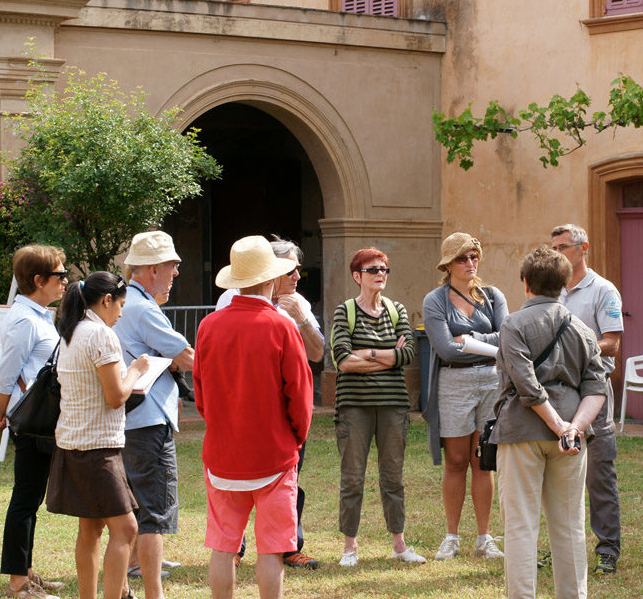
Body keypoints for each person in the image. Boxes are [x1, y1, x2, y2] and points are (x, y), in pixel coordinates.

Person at [194, 235, 314, 599]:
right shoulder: (281, 326)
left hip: (223, 455)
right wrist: (293, 438)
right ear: (270, 278)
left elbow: (200, 394)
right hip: (274, 455)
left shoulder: (209, 325)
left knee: (224, 546)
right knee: (272, 549)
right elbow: (301, 397)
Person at [492, 245, 607, 599]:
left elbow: (526, 385)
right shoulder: (583, 329)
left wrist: (560, 426)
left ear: (526, 283)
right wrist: (574, 427)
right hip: (571, 436)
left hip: (522, 433)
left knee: (521, 527)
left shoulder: (513, 323)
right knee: (570, 526)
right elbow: (597, 386)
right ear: (565, 284)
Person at [47, 273, 150, 599]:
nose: (121, 313)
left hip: (72, 443)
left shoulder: (72, 331)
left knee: (90, 529)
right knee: (126, 528)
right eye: (120, 304)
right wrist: (137, 370)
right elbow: (116, 396)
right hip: (97, 448)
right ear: (106, 300)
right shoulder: (102, 335)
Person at [0, 245, 70, 599]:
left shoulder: (37, 315)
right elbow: (5, 376)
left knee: (31, 497)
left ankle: (27, 571)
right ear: (38, 280)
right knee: (25, 498)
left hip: (41, 420)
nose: (65, 281)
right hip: (31, 421)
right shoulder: (23, 319)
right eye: (60, 276)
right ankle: (18, 582)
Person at [329, 247, 425, 566]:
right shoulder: (345, 312)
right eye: (372, 270)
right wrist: (386, 356)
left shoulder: (396, 309)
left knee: (393, 476)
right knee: (353, 477)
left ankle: (399, 545)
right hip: (354, 406)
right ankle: (349, 548)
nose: (380, 274)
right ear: (357, 277)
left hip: (393, 406)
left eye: (384, 269)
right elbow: (342, 359)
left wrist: (366, 353)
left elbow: (408, 354)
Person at [114, 231, 192, 597]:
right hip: (147, 422)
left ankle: (133, 567)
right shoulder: (143, 308)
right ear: (149, 269)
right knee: (154, 514)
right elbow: (187, 356)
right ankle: (153, 591)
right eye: (171, 266)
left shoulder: (123, 302)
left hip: (129, 421)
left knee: (133, 505)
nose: (176, 273)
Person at [422, 233, 507, 561]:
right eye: (462, 258)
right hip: (453, 383)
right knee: (456, 461)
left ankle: (484, 537)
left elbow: (506, 337)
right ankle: (452, 536)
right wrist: (484, 344)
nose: (470, 263)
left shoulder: (492, 296)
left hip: (491, 382)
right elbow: (444, 349)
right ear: (448, 264)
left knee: (483, 461)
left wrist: (469, 337)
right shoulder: (435, 300)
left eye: (474, 256)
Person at [549, 223, 623, 575]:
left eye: (563, 247)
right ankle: (561, 546)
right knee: (559, 469)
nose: (558, 254)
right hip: (559, 391)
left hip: (593, 388)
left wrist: (577, 346)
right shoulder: (551, 290)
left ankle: (607, 549)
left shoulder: (604, 290)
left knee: (599, 473)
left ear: (583, 248)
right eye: (554, 249)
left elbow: (613, 342)